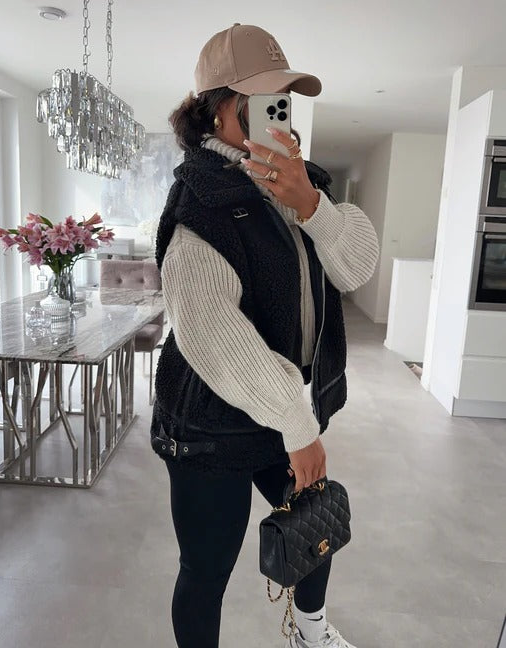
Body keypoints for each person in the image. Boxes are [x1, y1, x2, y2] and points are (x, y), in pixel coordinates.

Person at [150, 23, 379, 648]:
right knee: (206, 570)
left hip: (281, 410)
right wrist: (298, 426)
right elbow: (212, 334)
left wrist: (312, 205)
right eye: (264, 97)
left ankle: (309, 629)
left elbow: (356, 268)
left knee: (315, 527)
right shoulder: (199, 202)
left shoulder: (305, 184)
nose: (282, 109)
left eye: (285, 96)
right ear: (219, 110)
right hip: (209, 427)